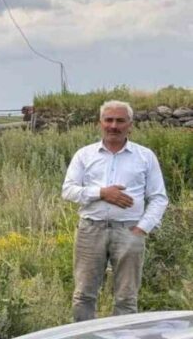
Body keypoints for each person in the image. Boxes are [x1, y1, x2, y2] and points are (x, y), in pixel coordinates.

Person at [62, 100, 169, 321]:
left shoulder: (145, 156)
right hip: (91, 231)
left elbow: (158, 197)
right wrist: (102, 193)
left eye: (120, 121)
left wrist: (142, 228)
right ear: (100, 123)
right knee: (83, 295)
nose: (113, 125)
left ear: (130, 124)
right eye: (108, 120)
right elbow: (68, 190)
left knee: (126, 298)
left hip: (129, 232)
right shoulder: (85, 155)